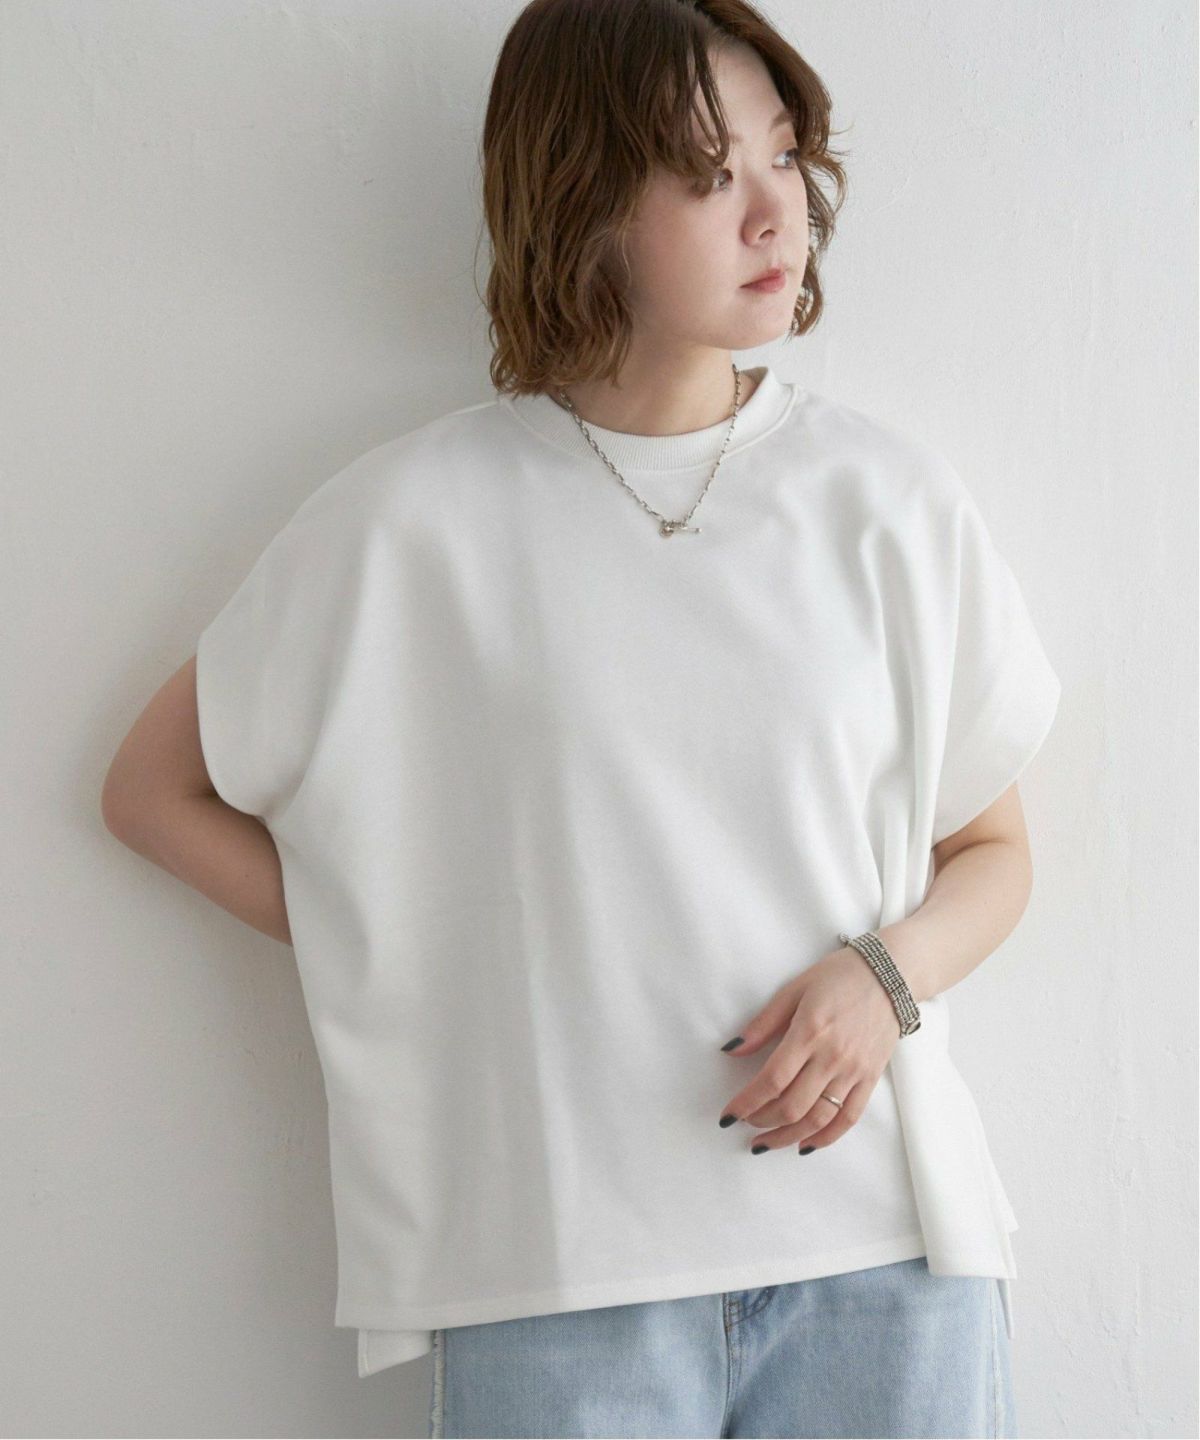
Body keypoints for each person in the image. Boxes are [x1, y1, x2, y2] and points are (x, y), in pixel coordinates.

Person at [101, 1, 1061, 1435]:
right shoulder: (413, 523)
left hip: (883, 1261)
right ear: (583, 203)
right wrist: (424, 947)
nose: (774, 212)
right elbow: (153, 792)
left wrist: (884, 979)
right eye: (708, 174)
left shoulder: (886, 504)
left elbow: (993, 850)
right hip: (554, 1276)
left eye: (784, 156)